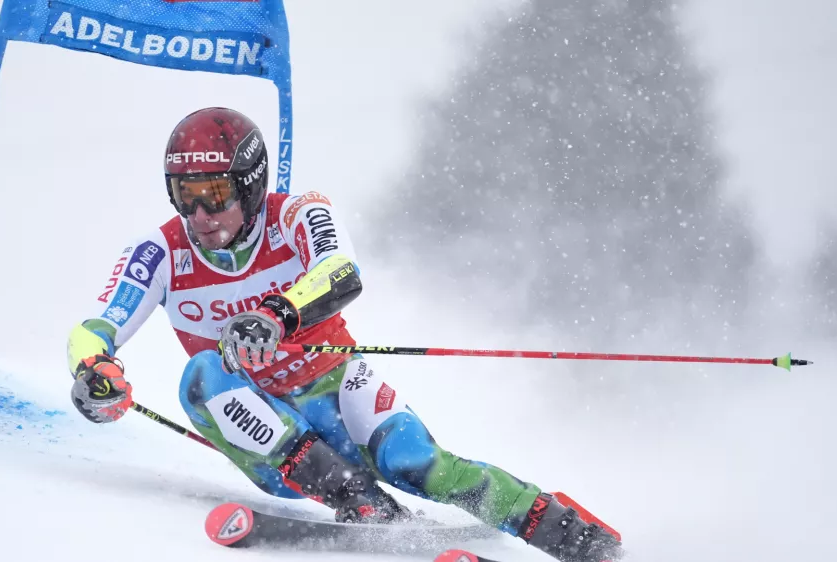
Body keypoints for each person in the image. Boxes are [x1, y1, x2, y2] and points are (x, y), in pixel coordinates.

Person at [65, 107, 622, 562]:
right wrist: (94, 371)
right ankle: (359, 503)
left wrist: (278, 314)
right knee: (201, 371)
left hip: (335, 386)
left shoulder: (299, 214)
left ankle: (572, 537)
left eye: (215, 192)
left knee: (416, 463)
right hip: (260, 426)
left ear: (251, 185)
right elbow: (96, 327)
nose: (200, 212)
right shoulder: (160, 251)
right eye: (184, 194)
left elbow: (340, 272)